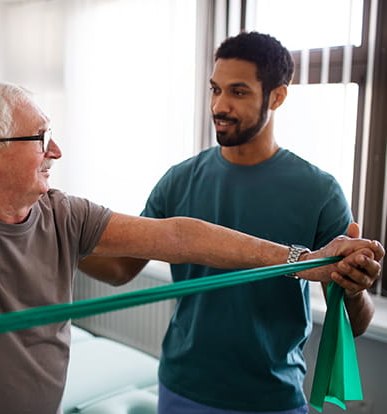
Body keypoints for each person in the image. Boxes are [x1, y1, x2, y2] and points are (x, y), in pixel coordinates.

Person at [0, 79, 383, 414]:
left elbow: (175, 234)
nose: (56, 152)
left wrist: (302, 262)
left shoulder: (60, 211)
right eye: (41, 138)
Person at [79, 32, 384, 414]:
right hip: (183, 388)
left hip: (272, 397)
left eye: (238, 92)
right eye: (215, 89)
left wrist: (355, 288)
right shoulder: (180, 179)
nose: (219, 105)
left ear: (277, 96)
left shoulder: (319, 191)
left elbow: (353, 323)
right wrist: (59, 238)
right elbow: (121, 268)